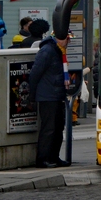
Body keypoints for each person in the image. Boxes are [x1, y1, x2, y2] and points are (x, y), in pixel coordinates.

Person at [28, 30, 71, 168]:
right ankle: (43, 159)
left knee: (58, 127)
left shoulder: (58, 51)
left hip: (57, 94)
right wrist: (32, 96)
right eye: (67, 39)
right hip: (47, 96)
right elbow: (35, 73)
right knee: (49, 128)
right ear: (60, 38)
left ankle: (54, 156)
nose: (69, 42)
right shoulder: (47, 51)